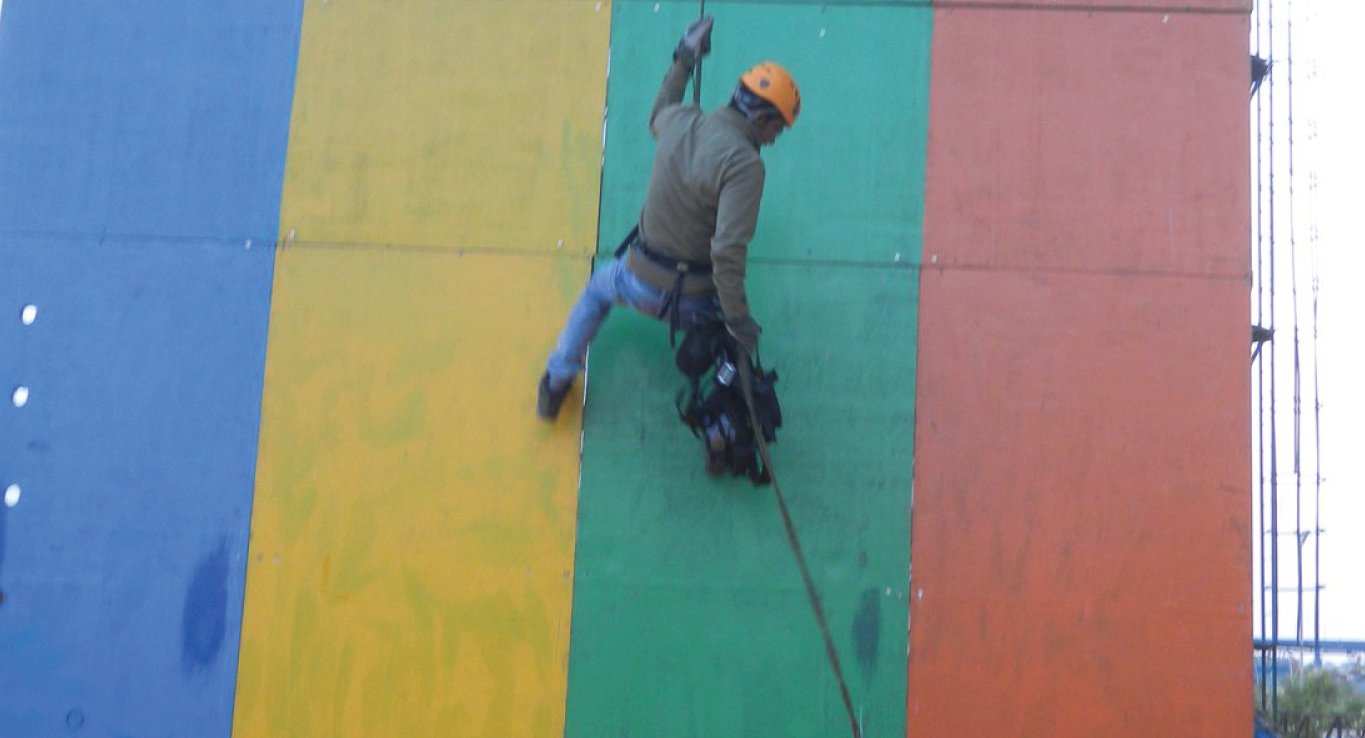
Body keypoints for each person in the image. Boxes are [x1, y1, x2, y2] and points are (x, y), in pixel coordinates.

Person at [537, 15, 801, 423]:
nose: (774, 139)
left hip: (635, 278)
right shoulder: (745, 164)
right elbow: (727, 252)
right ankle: (718, 433)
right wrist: (738, 323)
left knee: (595, 293)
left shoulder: (680, 121)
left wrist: (685, 58)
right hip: (691, 302)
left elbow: (659, 109)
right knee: (731, 353)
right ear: (762, 119)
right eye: (777, 129)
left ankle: (557, 379)